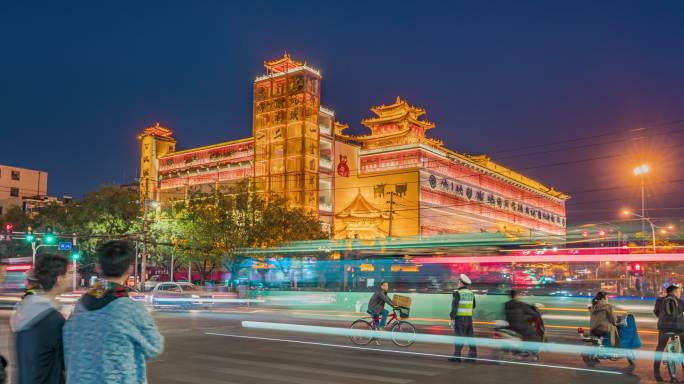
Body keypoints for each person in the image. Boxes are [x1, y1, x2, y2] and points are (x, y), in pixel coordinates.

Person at [63, 240, 164, 384]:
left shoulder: (81, 306)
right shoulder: (131, 309)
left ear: (98, 267)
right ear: (130, 269)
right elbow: (154, 347)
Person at [10, 254, 70, 384]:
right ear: (59, 279)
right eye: (68, 274)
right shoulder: (53, 319)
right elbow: (69, 361)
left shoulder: (26, 309)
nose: (69, 278)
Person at [653, 284, 684, 382]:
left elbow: (656, 312)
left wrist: (663, 320)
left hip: (663, 328)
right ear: (674, 292)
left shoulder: (659, 300)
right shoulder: (681, 302)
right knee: (683, 349)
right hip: (679, 329)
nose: (680, 293)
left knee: (660, 348)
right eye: (679, 292)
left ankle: (657, 372)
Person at [449, 274, 477, 362]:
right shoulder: (471, 293)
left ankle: (457, 357)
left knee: (459, 337)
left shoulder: (457, 293)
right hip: (469, 318)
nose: (458, 283)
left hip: (460, 318)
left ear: (461, 283)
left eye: (459, 281)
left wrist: (452, 318)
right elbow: (474, 306)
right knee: (470, 337)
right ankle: (472, 357)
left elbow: (455, 307)